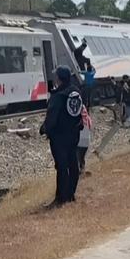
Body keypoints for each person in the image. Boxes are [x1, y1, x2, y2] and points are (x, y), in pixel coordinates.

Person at [39, 65, 83, 207]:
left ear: (58, 78)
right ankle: (70, 194)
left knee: (62, 167)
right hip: (74, 134)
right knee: (73, 164)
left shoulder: (58, 96)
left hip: (59, 137)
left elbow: (52, 118)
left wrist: (44, 129)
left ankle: (60, 198)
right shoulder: (76, 92)